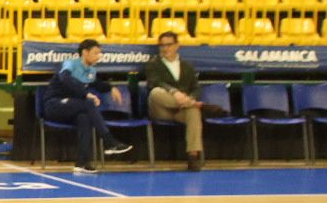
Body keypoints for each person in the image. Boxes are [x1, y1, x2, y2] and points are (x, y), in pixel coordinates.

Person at [45, 38, 133, 175]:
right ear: (85, 53)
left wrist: (111, 88)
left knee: (85, 118)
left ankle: (81, 163)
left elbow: (97, 84)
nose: (99, 56)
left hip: (73, 108)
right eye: (96, 53)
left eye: (100, 53)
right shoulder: (70, 64)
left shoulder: (91, 70)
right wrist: (86, 94)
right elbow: (66, 79)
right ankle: (109, 141)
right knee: (88, 103)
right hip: (54, 104)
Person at [142, 31, 211, 171]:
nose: (165, 48)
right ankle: (191, 104)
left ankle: (192, 157)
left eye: (168, 45)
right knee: (156, 92)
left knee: (193, 111)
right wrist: (175, 92)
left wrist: (190, 99)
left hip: (181, 110)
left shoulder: (187, 66)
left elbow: (196, 88)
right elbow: (153, 82)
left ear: (177, 45)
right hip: (160, 108)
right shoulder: (153, 64)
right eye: (162, 45)